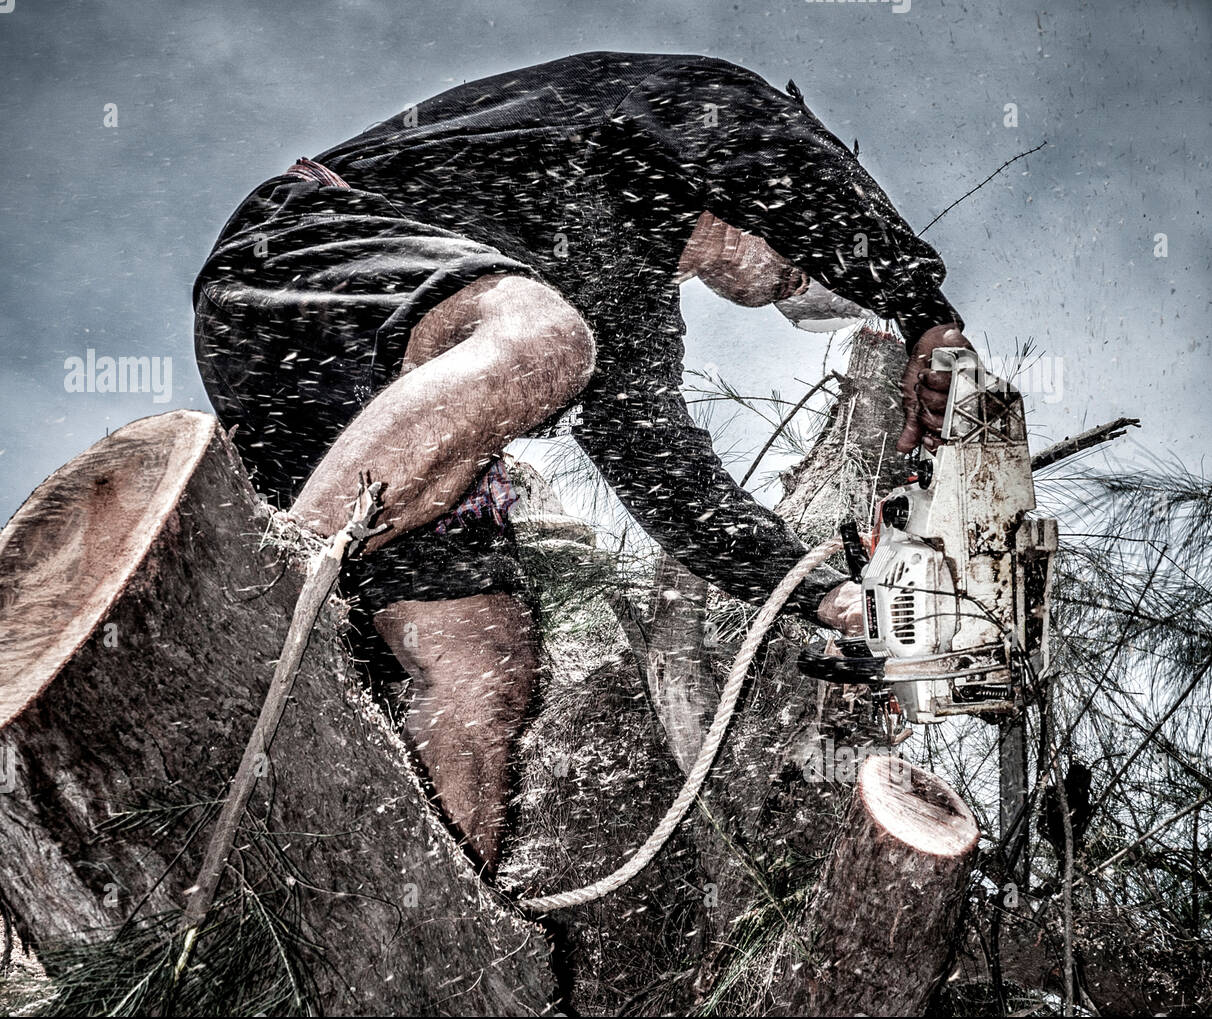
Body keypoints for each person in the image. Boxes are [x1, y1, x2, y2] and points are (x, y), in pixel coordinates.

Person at [192, 51, 972, 870]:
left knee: (482, 667)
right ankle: (258, 623)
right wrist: (921, 307)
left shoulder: (629, 312)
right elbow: (759, 132)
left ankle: (445, 944)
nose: (799, 281)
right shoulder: (683, 112)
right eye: (802, 260)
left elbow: (675, 488)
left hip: (373, 409)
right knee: (545, 341)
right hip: (304, 257)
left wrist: (836, 598)